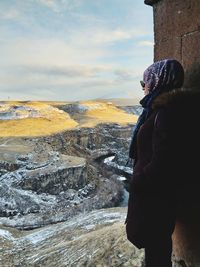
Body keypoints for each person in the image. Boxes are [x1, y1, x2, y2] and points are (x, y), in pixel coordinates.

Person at [125, 58, 200, 267]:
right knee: (157, 247)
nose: (143, 88)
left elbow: (164, 161)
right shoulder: (160, 110)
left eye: (145, 82)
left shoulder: (165, 113)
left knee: (156, 250)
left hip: (154, 197)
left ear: (159, 81)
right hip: (154, 195)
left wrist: (138, 181)